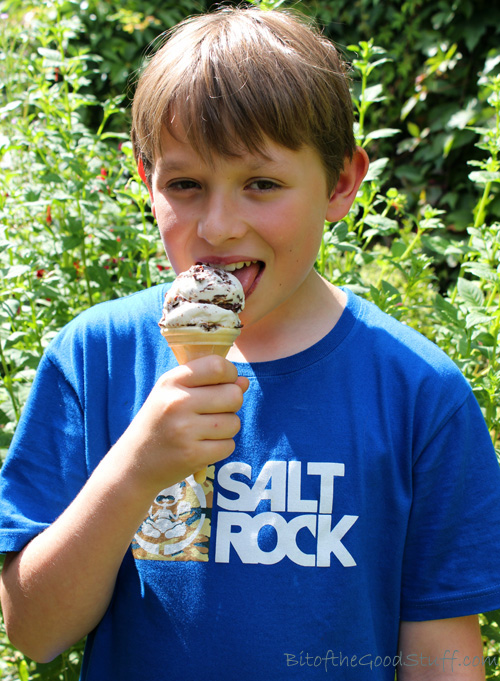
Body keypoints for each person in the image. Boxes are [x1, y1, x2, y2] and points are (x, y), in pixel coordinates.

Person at [1, 6, 500, 680]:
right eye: (185, 184)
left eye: (261, 183)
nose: (220, 224)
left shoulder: (418, 392)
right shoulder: (97, 357)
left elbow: (441, 657)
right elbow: (34, 630)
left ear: (342, 182)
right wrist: (135, 469)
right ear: (145, 178)